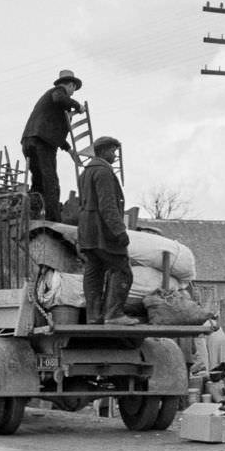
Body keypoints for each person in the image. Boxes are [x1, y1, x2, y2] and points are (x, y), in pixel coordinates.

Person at [77, 136, 136, 325]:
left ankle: (93, 316)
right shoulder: (103, 172)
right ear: (102, 152)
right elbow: (107, 205)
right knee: (122, 269)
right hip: (101, 230)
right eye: (112, 151)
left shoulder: (85, 173)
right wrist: (119, 231)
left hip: (87, 231)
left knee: (94, 271)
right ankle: (114, 314)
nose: (115, 156)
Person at [21, 69, 84, 222]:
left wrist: (69, 150)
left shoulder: (51, 109)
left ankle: (32, 214)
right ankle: (53, 220)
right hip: (42, 143)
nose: (73, 93)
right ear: (70, 85)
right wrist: (78, 106)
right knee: (51, 183)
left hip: (29, 141)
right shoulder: (58, 92)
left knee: (38, 182)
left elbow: (54, 132)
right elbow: (59, 98)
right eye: (73, 89)